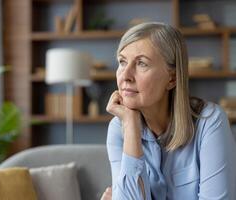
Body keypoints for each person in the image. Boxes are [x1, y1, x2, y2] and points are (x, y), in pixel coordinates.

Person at [101, 22, 236, 200]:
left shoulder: (210, 121)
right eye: (122, 61)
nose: (125, 75)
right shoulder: (119, 128)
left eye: (141, 63)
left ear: (171, 78)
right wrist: (132, 126)